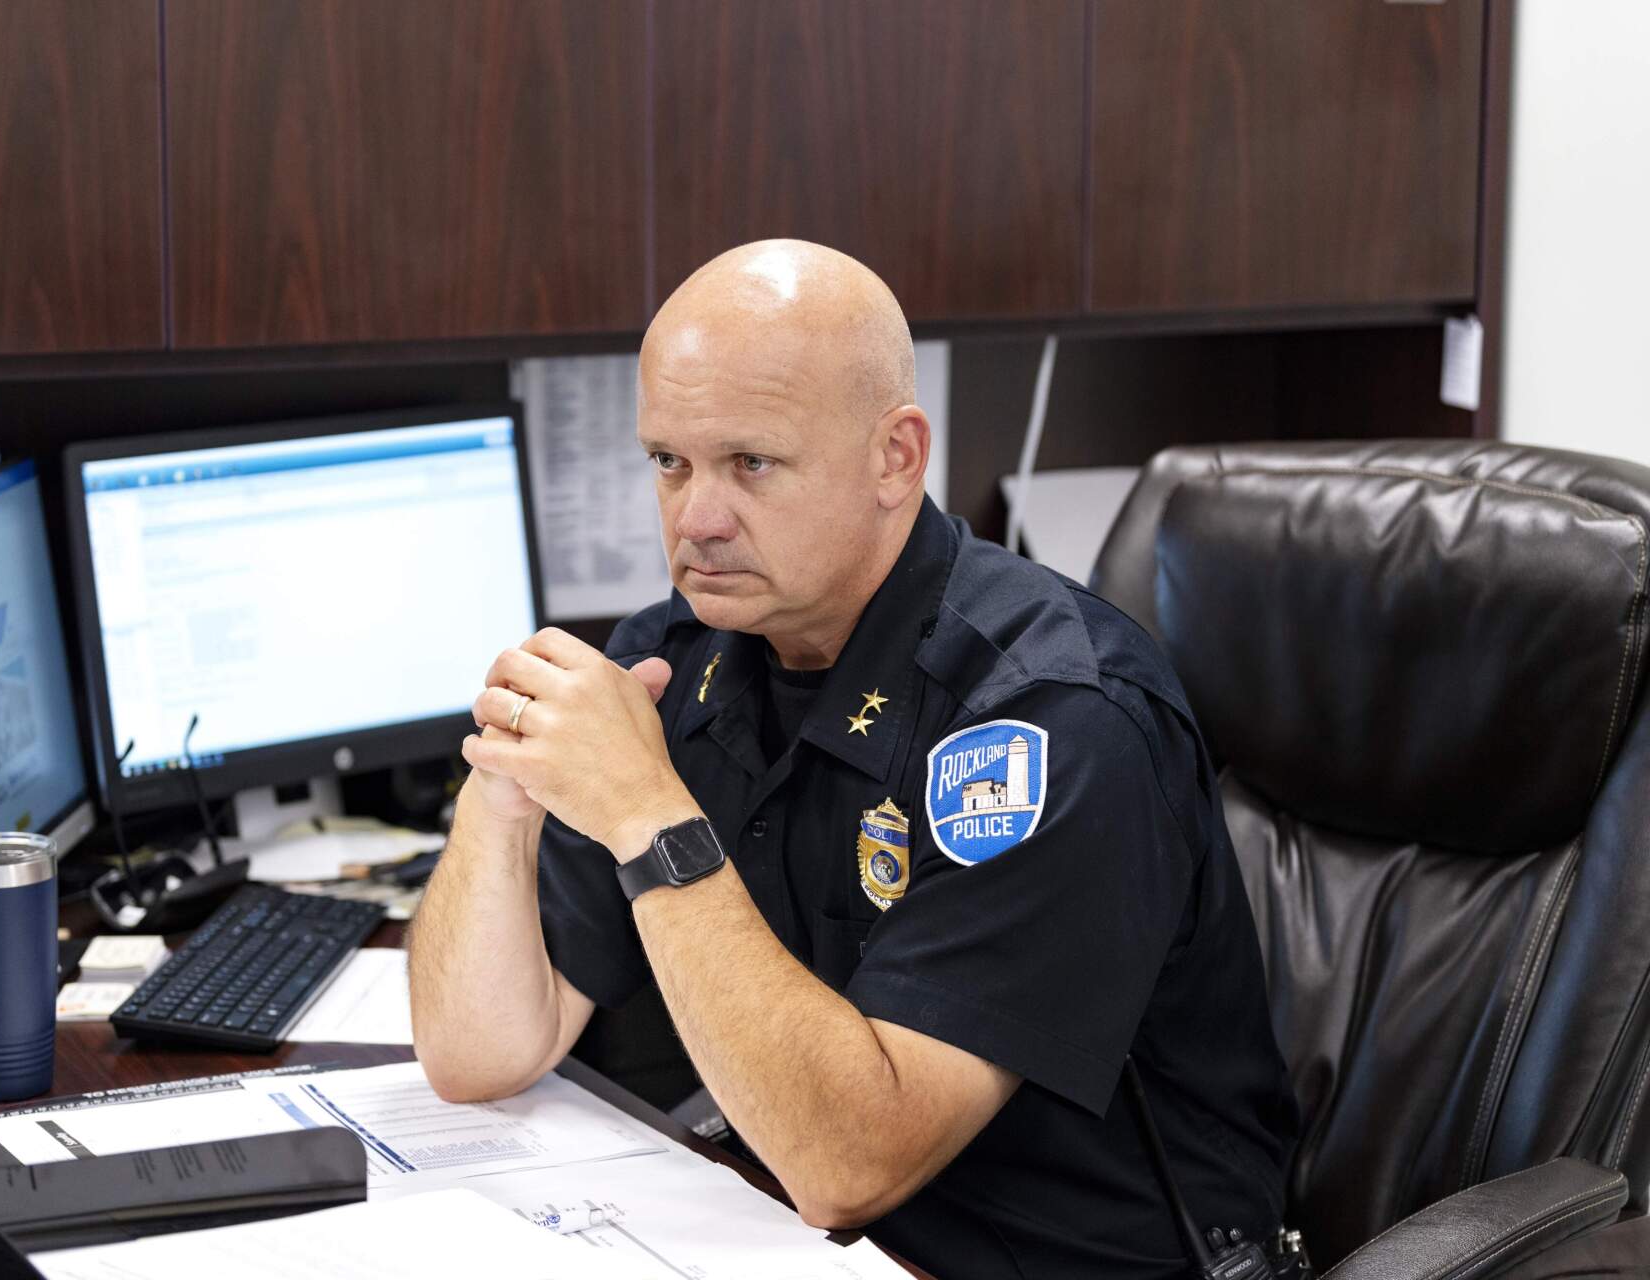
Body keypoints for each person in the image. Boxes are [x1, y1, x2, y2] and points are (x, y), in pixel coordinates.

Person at [408, 240, 1298, 1278]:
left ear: (896, 458)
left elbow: (848, 1162)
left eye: (752, 462)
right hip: (799, 1236)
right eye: (669, 461)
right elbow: (479, 1053)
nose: (695, 518)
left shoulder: (1048, 722)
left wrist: (650, 816)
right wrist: (503, 786)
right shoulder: (681, 657)